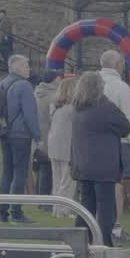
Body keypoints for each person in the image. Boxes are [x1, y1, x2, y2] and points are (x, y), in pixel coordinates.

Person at [69, 71, 130, 247]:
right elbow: (125, 127)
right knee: (106, 208)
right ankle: (106, 243)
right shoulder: (104, 106)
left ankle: (80, 242)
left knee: (86, 206)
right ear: (98, 87)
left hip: (83, 163)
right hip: (103, 164)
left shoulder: (77, 106)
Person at [98, 50, 130, 243]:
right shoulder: (121, 87)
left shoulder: (92, 83)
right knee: (116, 184)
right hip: (118, 140)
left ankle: (97, 224)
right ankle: (115, 227)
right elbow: (128, 116)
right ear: (119, 65)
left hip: (93, 140)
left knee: (96, 185)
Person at [0, 54, 42, 224]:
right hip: (20, 134)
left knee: (7, 172)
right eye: (26, 65)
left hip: (5, 132)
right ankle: (16, 212)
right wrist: (37, 135)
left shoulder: (2, 83)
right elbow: (30, 114)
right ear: (18, 67)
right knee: (20, 172)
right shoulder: (24, 85)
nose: (29, 68)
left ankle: (2, 213)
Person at [45, 73, 79, 215]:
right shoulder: (73, 109)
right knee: (67, 181)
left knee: (57, 180)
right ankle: (64, 209)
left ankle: (56, 208)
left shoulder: (55, 106)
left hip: (54, 145)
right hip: (67, 146)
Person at [30, 72, 58, 196]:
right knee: (47, 170)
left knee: (40, 168)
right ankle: (45, 200)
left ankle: (40, 198)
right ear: (55, 80)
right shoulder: (53, 96)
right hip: (49, 135)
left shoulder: (35, 93)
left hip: (37, 135)